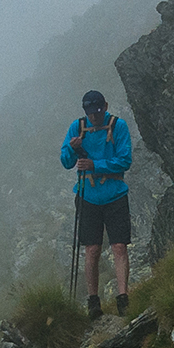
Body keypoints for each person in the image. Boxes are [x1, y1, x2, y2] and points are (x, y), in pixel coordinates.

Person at [61, 88, 134, 319]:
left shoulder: (118, 126)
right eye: (90, 112)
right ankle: (93, 301)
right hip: (88, 197)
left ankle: (123, 297)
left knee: (119, 246)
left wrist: (95, 165)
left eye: (98, 111)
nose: (94, 116)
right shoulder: (77, 127)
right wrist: (72, 148)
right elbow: (65, 161)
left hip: (114, 194)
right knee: (92, 249)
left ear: (105, 107)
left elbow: (125, 160)